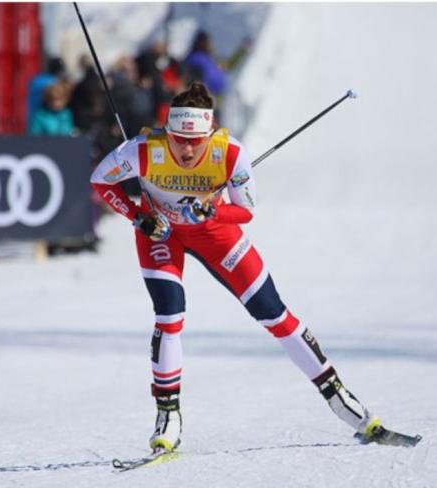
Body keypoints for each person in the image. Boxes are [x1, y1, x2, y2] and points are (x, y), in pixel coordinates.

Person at [90, 82, 386, 453]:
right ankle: (168, 416)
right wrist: (137, 217)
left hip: (215, 234)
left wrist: (213, 209)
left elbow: (245, 210)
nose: (185, 148)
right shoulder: (143, 150)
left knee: (274, 315)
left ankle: (341, 398)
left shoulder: (229, 153)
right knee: (169, 316)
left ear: (209, 134)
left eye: (195, 140)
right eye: (178, 138)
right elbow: (101, 180)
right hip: (161, 233)